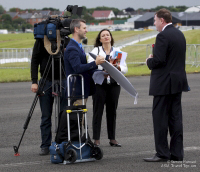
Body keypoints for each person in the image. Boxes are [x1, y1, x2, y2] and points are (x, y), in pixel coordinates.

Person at [143, 8, 189, 162]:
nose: (154, 23)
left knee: (160, 119)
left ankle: (162, 153)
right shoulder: (179, 34)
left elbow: (159, 60)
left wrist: (149, 60)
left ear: (162, 20)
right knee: (175, 118)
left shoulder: (162, 36)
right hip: (177, 82)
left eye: (155, 20)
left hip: (163, 84)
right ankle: (177, 153)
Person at [88, 29, 128, 147]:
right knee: (97, 111)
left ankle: (112, 138)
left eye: (108, 35)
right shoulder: (96, 51)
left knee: (112, 111)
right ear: (100, 39)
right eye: (103, 35)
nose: (106, 37)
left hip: (114, 85)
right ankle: (96, 139)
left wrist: (118, 67)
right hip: (100, 85)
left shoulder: (117, 51)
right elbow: (92, 65)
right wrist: (104, 68)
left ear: (111, 37)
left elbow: (124, 68)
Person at [31, 38, 67, 155]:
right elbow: (35, 60)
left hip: (63, 79)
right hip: (46, 80)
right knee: (46, 116)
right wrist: (34, 81)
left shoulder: (65, 38)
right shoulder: (41, 40)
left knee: (64, 114)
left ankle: (63, 143)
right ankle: (45, 145)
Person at [64, 19, 105, 106]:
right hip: (77, 91)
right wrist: (95, 63)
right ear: (76, 29)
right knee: (78, 118)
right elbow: (78, 68)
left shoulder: (77, 46)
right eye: (84, 28)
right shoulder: (72, 48)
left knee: (80, 117)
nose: (86, 30)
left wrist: (102, 73)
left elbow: (84, 68)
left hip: (81, 89)